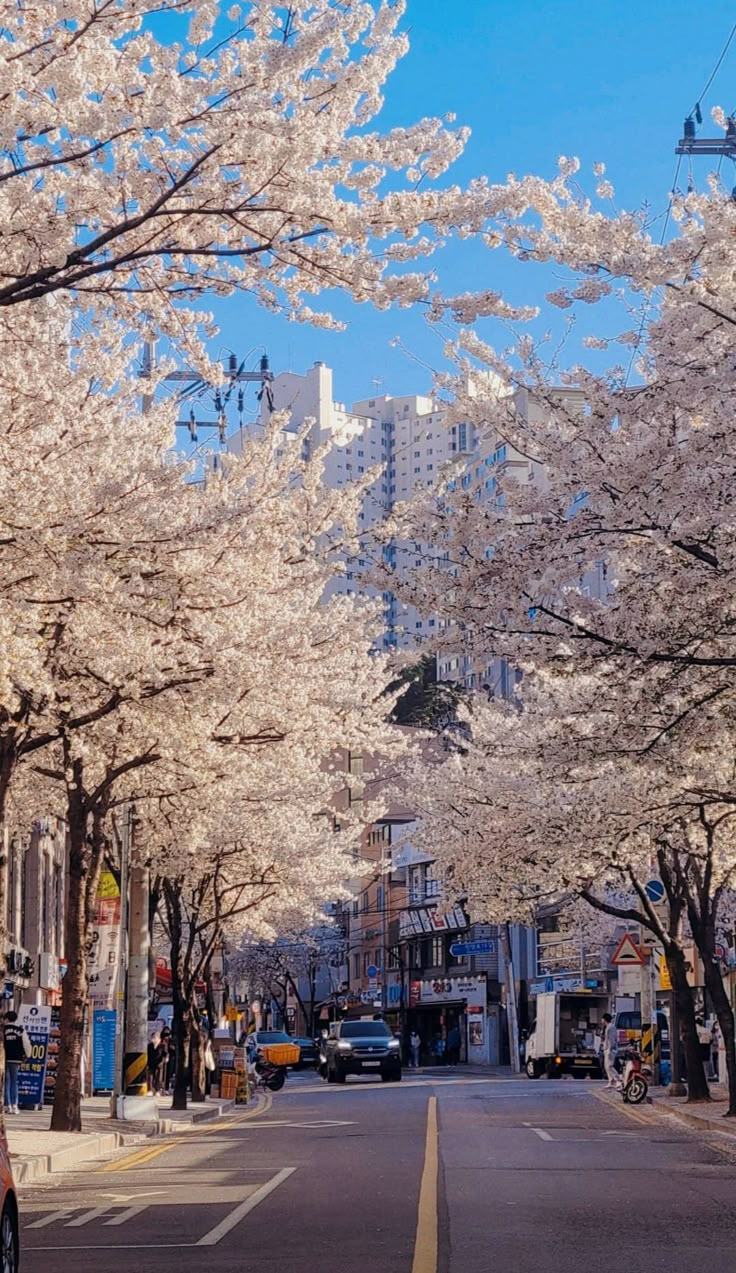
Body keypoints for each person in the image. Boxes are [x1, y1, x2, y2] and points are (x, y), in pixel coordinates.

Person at [3, 1011, 30, 1113]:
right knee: (14, 1081)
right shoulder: (20, 1030)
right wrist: (27, 1055)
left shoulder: (3, 1030)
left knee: (6, 1082)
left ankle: (7, 1105)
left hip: (4, 1059)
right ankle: (14, 1106)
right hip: (16, 1059)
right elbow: (27, 1044)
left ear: (6, 1019)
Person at [601, 1013, 620, 1089]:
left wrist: (609, 1049)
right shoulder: (607, 1027)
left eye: (602, 1018)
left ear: (605, 1019)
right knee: (606, 1066)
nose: (601, 1020)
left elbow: (611, 1040)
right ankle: (611, 1081)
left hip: (611, 1049)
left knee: (609, 1066)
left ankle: (617, 1079)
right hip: (607, 1049)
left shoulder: (611, 1027)